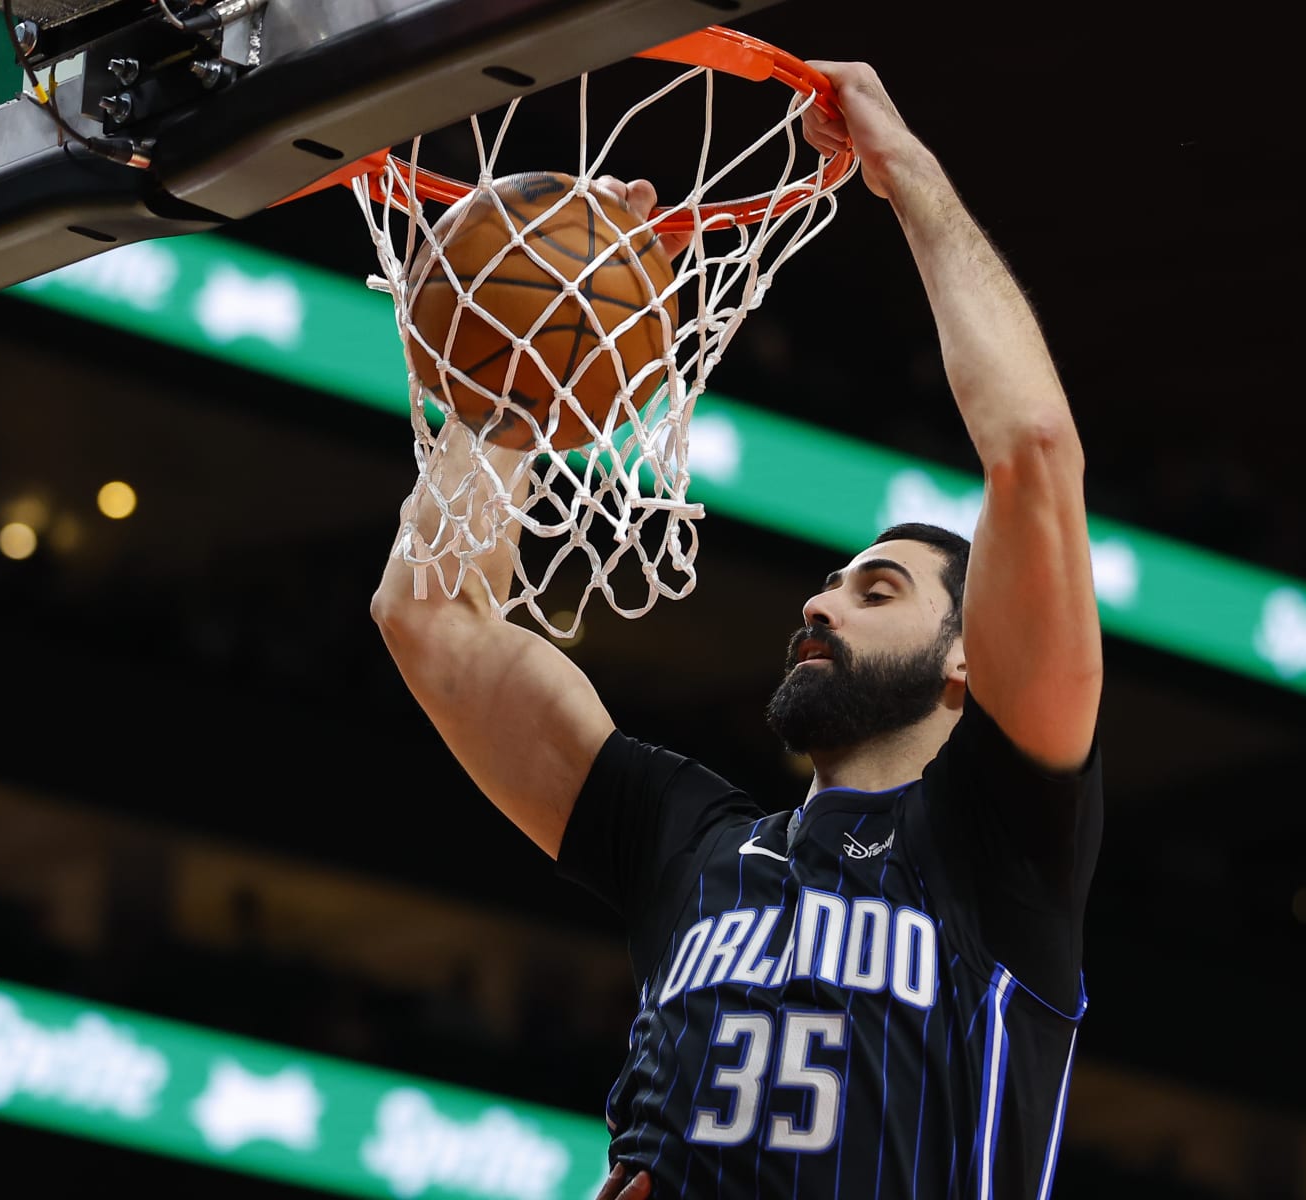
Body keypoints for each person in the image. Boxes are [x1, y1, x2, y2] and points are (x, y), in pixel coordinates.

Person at [372, 60, 1104, 1200]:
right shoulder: (688, 842)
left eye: (876, 592)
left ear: (969, 659)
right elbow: (430, 618)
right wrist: (533, 356)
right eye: (830, 584)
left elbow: (1033, 453)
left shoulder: (1002, 845)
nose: (820, 603)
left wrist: (907, 174)